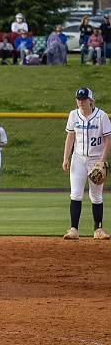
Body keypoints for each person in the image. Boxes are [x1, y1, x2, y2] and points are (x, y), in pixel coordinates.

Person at [62, 87, 111, 240]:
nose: (81, 102)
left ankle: (98, 230)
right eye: (78, 99)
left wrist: (102, 160)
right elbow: (70, 137)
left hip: (96, 160)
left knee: (96, 196)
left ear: (91, 100)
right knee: (75, 194)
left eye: (84, 99)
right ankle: (73, 230)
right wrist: (66, 158)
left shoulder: (101, 116)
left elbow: (108, 139)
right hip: (78, 159)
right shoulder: (73, 115)